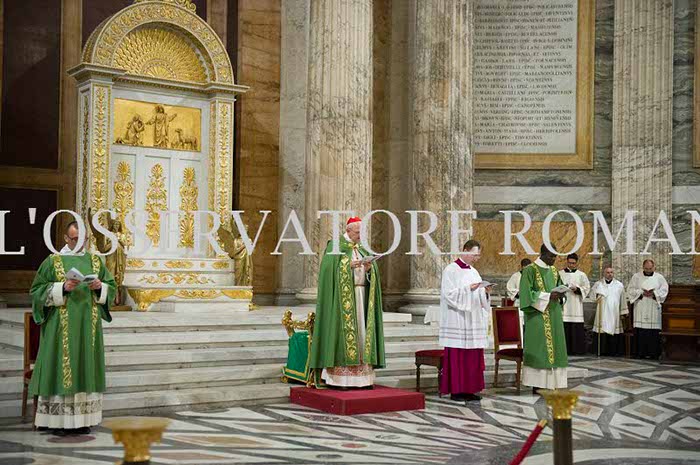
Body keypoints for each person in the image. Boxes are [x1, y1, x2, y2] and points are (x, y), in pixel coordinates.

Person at [29, 221, 115, 435]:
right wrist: (62, 288)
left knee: (85, 366)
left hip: (88, 326)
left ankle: (84, 420)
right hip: (60, 327)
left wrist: (100, 287)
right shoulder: (53, 261)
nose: (79, 243)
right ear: (66, 238)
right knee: (61, 367)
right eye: (75, 239)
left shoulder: (95, 261)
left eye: (83, 239)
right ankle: (58, 422)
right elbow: (36, 291)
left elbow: (111, 288)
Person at [309, 217, 385, 388]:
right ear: (348, 230)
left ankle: (363, 378)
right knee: (342, 336)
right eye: (358, 233)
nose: (360, 236)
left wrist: (369, 269)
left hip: (361, 295)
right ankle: (340, 379)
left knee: (362, 334)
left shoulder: (362, 248)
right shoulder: (335, 247)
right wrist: (347, 266)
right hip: (342, 301)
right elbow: (328, 271)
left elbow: (371, 274)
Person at [438, 240, 492, 402]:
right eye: (475, 254)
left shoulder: (474, 272)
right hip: (457, 319)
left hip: (472, 320)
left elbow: (479, 295)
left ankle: (470, 389)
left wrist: (485, 292)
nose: (477, 258)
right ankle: (456, 391)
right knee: (458, 356)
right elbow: (448, 294)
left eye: (478, 255)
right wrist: (469, 289)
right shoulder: (451, 270)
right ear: (465, 250)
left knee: (472, 356)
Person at [519, 244, 568, 393]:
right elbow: (526, 294)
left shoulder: (554, 271)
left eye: (555, 256)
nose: (554, 259)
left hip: (554, 314)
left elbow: (560, 287)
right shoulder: (529, 270)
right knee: (540, 350)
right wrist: (548, 296)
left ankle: (553, 383)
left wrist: (561, 294)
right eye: (551, 256)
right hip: (537, 316)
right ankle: (537, 384)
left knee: (556, 348)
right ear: (542, 254)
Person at [627, 259, 668, 359]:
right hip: (641, 305)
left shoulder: (659, 278)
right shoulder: (636, 277)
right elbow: (630, 290)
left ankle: (653, 354)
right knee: (640, 331)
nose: (648, 270)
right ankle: (640, 353)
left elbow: (664, 290)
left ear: (654, 267)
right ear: (643, 267)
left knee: (653, 331)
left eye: (650, 268)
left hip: (653, 306)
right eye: (646, 268)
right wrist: (641, 292)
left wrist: (654, 293)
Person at [591, 266, 628, 356]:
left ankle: (613, 351)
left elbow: (623, 299)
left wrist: (623, 312)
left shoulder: (619, 285)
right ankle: (602, 351)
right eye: (607, 272)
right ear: (604, 273)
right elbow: (592, 296)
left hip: (614, 312)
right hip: (602, 311)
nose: (610, 274)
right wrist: (597, 295)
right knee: (602, 330)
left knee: (614, 330)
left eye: (611, 272)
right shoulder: (598, 284)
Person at [558, 253, 590, 355]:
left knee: (576, 327)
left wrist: (577, 289)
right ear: (567, 262)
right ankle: (564, 350)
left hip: (576, 304)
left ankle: (577, 350)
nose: (571, 265)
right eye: (569, 263)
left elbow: (586, 288)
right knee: (565, 326)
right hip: (564, 304)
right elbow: (555, 286)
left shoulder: (581, 275)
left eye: (573, 263)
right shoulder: (560, 274)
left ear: (576, 263)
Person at [506, 258, 532, 336]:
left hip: (531, 303)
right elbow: (509, 287)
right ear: (522, 267)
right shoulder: (516, 276)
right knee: (520, 324)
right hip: (519, 302)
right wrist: (518, 293)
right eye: (525, 268)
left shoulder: (533, 276)